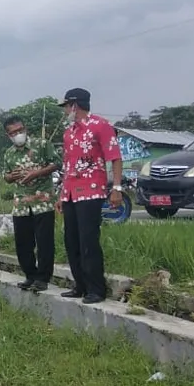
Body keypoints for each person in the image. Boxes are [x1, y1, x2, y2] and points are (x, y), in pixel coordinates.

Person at [57, 88, 122, 304]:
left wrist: (116, 188)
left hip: (91, 191)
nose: (65, 111)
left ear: (74, 105)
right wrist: (61, 194)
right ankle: (80, 285)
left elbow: (115, 157)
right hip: (70, 193)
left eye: (66, 106)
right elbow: (67, 166)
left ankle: (96, 289)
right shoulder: (69, 133)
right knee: (71, 241)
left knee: (88, 241)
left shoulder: (100, 126)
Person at [2, 115, 60, 292]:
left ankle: (43, 278)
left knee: (44, 242)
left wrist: (37, 173)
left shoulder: (42, 145)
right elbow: (6, 175)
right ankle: (30, 275)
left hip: (42, 201)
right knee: (23, 243)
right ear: (8, 135)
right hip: (21, 204)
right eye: (13, 133)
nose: (17, 134)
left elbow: (57, 163)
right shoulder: (9, 153)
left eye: (20, 130)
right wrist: (11, 177)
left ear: (25, 129)